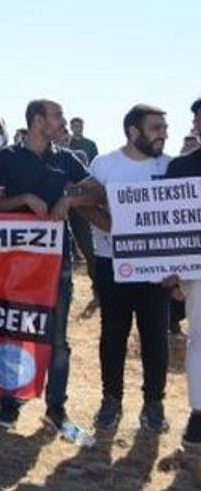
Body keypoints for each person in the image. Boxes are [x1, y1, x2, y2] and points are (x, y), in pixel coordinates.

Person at [0, 98, 104, 444]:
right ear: (38, 121)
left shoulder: (66, 157)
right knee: (14, 329)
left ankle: (56, 409)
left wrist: (70, 200)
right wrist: (23, 198)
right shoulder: (8, 158)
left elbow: (96, 191)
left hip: (58, 260)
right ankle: (10, 404)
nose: (62, 121)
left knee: (58, 339)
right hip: (16, 260)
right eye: (57, 116)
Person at [80, 105, 172, 434]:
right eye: (156, 127)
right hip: (112, 263)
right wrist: (116, 226)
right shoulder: (105, 164)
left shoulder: (170, 166)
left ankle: (154, 404)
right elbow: (82, 200)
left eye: (164, 127)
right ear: (134, 131)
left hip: (157, 268)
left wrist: (175, 266)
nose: (163, 133)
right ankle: (111, 400)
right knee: (114, 333)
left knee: (155, 338)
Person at [167, 97, 201, 447]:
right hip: (197, 269)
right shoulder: (180, 168)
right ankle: (199, 413)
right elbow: (169, 223)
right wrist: (174, 272)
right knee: (199, 342)